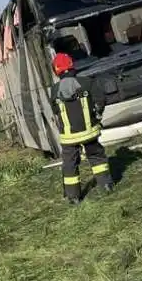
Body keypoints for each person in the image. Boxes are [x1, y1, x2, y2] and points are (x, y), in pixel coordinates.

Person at [50, 53, 114, 204]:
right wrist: (97, 116)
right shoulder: (87, 82)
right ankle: (105, 185)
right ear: (72, 65)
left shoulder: (54, 90)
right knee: (96, 157)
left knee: (70, 164)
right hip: (89, 132)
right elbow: (100, 101)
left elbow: (55, 111)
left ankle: (73, 197)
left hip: (68, 137)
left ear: (56, 70)